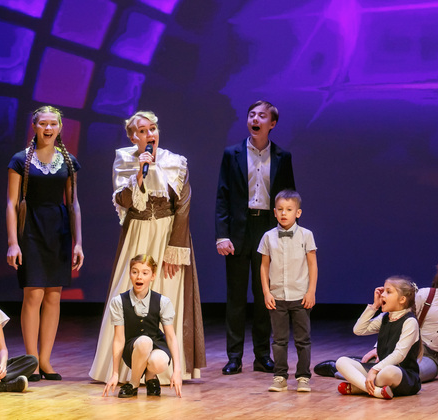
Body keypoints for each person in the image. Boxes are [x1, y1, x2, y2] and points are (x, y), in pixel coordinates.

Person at [89, 110, 205, 385]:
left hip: (167, 234)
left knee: (166, 291)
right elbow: (124, 201)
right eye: (142, 131)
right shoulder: (124, 160)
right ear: (133, 137)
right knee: (128, 291)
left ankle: (163, 367)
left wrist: (175, 248)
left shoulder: (175, 161)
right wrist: (139, 176)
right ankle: (121, 368)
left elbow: (183, 206)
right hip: (138, 233)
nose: (149, 134)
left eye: (152, 128)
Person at [314, 254, 438, 382]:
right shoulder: (426, 295)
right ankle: (348, 367)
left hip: (431, 358)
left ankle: (344, 371)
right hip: (407, 347)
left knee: (412, 375)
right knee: (389, 369)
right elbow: (393, 318)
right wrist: (379, 348)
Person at [215, 100, 296, 375]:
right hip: (239, 229)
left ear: (272, 123)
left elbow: (289, 198)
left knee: (265, 296)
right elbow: (223, 197)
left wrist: (289, 234)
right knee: (236, 296)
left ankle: (262, 355)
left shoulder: (283, 156)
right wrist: (222, 235)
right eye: (252, 115)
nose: (255, 119)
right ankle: (234, 357)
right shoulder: (232, 153)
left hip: (268, 228)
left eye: (262, 116)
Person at [6, 105, 84, 382]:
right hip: (31, 230)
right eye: (43, 124)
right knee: (34, 294)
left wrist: (78, 242)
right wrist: (13, 242)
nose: (48, 128)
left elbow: (73, 203)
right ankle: (32, 361)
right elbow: (11, 203)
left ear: (60, 127)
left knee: (53, 295)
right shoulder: (20, 160)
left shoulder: (68, 161)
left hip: (58, 231)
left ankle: (46, 360)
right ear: (34, 126)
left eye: (53, 124)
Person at [258, 189, 317, 392]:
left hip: (300, 295)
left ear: (298, 213)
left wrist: (311, 291)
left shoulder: (306, 235)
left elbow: (312, 265)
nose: (284, 213)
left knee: (303, 340)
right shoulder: (268, 237)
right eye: (280, 209)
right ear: (274, 212)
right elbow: (264, 266)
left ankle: (303, 377)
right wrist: (266, 292)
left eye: (289, 209)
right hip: (277, 296)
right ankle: (280, 376)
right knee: (279, 340)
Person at [102, 255, 182, 398]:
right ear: (130, 274)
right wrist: (115, 373)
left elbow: (171, 336)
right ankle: (134, 383)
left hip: (156, 344)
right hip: (133, 348)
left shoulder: (162, 301)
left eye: (145, 273)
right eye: (135, 272)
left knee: (159, 361)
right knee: (144, 342)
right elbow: (119, 339)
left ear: (153, 276)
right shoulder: (119, 302)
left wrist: (177, 371)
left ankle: (150, 377)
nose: (139, 277)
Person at [336, 277, 421, 399]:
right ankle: (376, 391)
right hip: (379, 370)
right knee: (341, 362)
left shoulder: (410, 321)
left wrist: (374, 370)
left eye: (388, 292)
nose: (382, 295)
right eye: (383, 291)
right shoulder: (384, 317)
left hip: (402, 375)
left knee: (388, 372)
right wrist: (374, 306)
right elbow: (358, 330)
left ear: (402, 299)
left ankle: (360, 387)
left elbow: (399, 355)